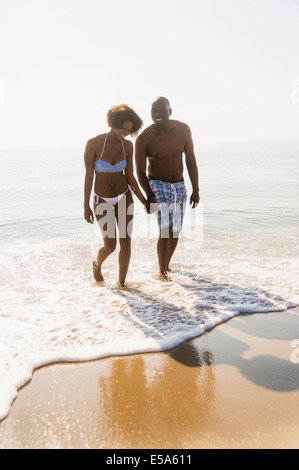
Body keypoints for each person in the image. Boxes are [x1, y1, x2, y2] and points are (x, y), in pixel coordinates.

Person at [135, 97, 199, 280]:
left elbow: (191, 160)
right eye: (154, 110)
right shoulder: (144, 138)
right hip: (157, 184)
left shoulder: (183, 130)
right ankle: (161, 271)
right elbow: (139, 171)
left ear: (170, 111)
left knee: (176, 229)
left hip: (179, 184)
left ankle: (166, 265)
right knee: (165, 229)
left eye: (162, 110)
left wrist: (196, 189)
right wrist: (149, 195)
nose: (157, 113)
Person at [84, 104, 146, 287]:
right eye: (123, 128)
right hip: (101, 199)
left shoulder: (127, 146)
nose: (126, 132)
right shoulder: (93, 144)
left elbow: (131, 178)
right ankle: (97, 265)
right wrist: (86, 205)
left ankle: (122, 284)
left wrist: (144, 201)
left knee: (126, 242)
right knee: (110, 245)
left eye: (129, 130)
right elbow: (88, 176)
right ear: (113, 123)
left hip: (124, 196)